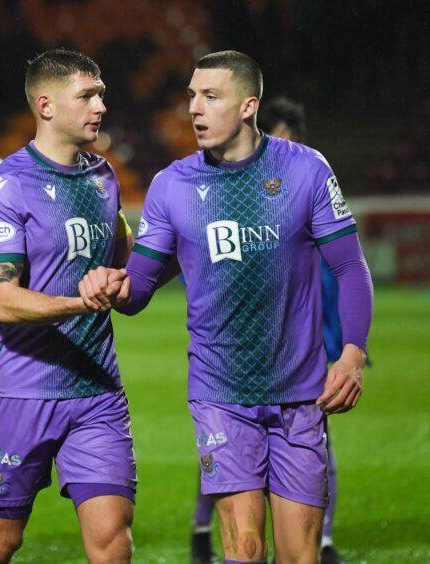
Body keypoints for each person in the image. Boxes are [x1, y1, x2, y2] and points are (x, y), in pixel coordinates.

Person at [79, 51, 373, 564]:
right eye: (192, 95)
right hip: (220, 392)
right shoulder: (173, 185)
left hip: (301, 394)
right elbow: (139, 290)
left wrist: (350, 355)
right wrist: (110, 284)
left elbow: (349, 267)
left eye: (210, 96)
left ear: (247, 106)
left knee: (300, 556)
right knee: (245, 549)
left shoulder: (305, 170)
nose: (194, 108)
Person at [0, 48, 136, 564]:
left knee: (112, 543)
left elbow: (124, 258)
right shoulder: (6, 185)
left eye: (101, 93)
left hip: (97, 391)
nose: (100, 105)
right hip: (22, 392)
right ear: (45, 105)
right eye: (86, 95)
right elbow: (3, 301)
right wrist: (80, 302)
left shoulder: (104, 177)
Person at [190, 96, 348, 564]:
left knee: (317, 466)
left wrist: (349, 349)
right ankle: (202, 528)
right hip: (231, 371)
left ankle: (321, 539)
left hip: (303, 364)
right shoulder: (225, 193)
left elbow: (343, 274)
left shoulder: (306, 187)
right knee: (239, 509)